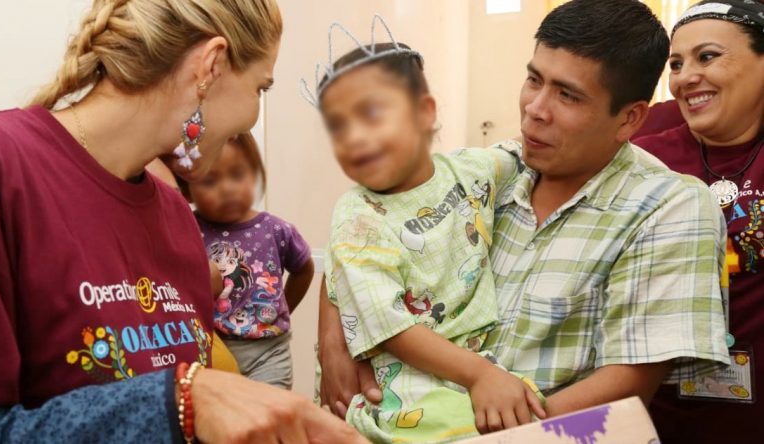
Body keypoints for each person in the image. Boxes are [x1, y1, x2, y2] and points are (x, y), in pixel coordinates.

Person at [0, 0, 363, 442]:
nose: (253, 114)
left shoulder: (175, 219)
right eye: (261, 87)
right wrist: (182, 402)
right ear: (209, 66)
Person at [318, 0, 730, 433]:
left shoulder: (668, 206)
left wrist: (478, 432)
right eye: (534, 80)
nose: (536, 108)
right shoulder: (491, 170)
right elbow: (367, 222)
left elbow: (627, 382)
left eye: (567, 95)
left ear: (628, 119)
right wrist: (334, 340)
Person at [310, 19, 546, 440]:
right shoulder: (358, 215)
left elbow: (530, 150)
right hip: (400, 374)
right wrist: (478, 375)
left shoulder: (475, 169)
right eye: (338, 125)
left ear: (425, 113)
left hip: (472, 359)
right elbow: (391, 327)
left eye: (372, 114)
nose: (355, 138)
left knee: (527, 411)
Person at [632, 1, 764, 441]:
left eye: (707, 57)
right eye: (676, 63)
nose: (685, 77)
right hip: (656, 411)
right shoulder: (643, 152)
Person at [178, 133, 315, 388]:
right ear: (187, 189)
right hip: (213, 348)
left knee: (270, 417)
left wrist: (284, 307)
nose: (227, 188)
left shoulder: (277, 230)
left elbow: (304, 269)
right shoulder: (186, 229)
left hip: (269, 353)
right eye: (210, 180)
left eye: (238, 174)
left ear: (254, 174)